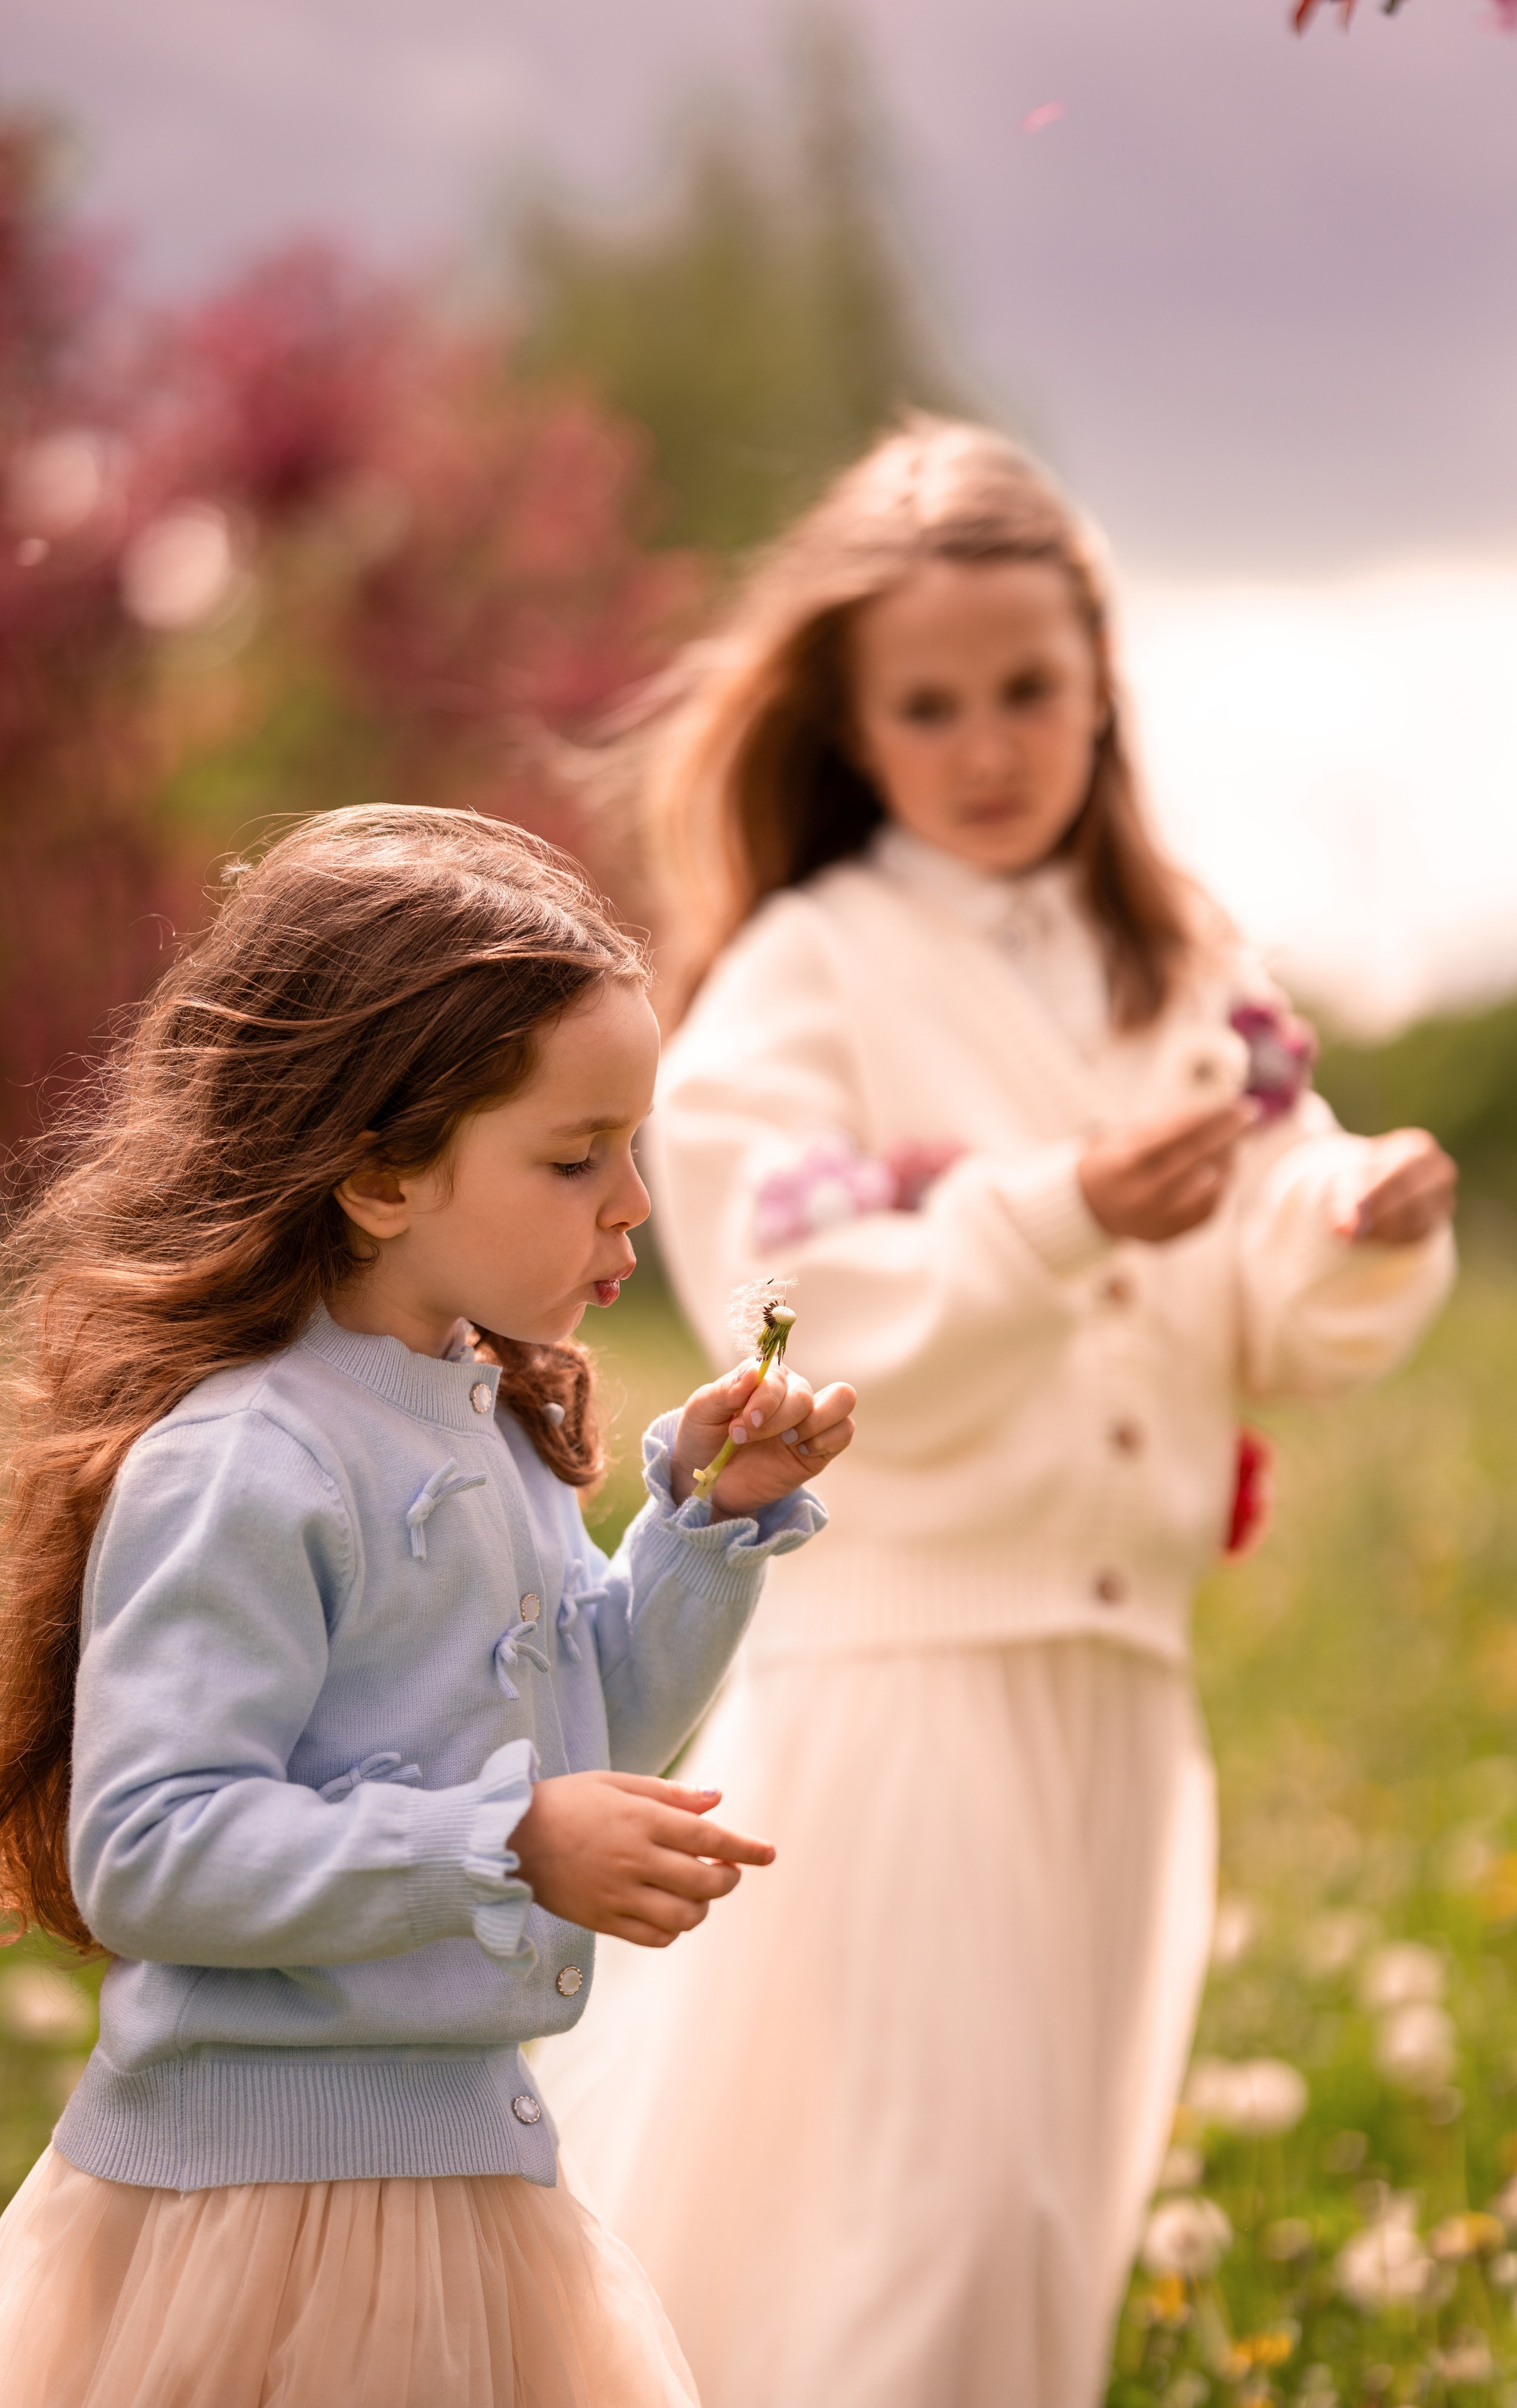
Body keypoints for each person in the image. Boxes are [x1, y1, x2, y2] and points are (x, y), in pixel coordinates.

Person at [536, 420, 1459, 2407]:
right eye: (929, 706)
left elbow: (1268, 1248)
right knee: (930, 2220)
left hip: (1122, 1681)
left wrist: (1349, 1223)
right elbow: (782, 1291)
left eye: (1028, 689)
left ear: (1100, 683)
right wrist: (1057, 1213)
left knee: (1044, 2221)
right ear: (853, 728)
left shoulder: (1173, 957)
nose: (987, 747)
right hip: (903, 1681)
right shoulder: (809, 972)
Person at [0, 806, 855, 2408]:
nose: (632, 1202)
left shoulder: (488, 1419)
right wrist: (506, 1842)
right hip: (266, 2223)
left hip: (464, 2185)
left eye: (631, 1146)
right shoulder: (248, 1459)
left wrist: (704, 1532)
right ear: (377, 1170)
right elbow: (151, 1849)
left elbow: (588, 1736)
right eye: (572, 1155)